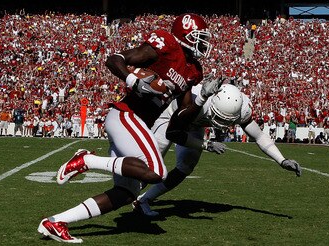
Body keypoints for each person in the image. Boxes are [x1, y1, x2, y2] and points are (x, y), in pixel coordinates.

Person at [38, 13, 221, 243]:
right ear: (185, 35)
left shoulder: (193, 70)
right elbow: (114, 59)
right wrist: (133, 80)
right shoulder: (167, 44)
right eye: (198, 37)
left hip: (137, 124)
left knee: (126, 194)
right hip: (127, 115)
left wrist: (202, 98)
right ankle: (86, 160)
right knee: (157, 171)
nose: (203, 43)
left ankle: (55, 222)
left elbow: (178, 122)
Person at [132, 84, 302, 217]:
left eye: (226, 120)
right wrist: (205, 144)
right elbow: (174, 134)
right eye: (219, 117)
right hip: (172, 118)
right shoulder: (198, 100)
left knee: (185, 167)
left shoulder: (241, 109)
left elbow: (258, 136)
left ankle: (144, 201)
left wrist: (281, 160)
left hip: (196, 124)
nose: (221, 123)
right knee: (151, 166)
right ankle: (121, 195)